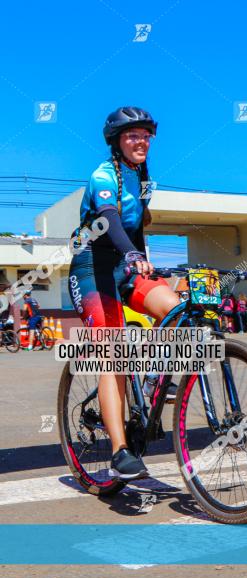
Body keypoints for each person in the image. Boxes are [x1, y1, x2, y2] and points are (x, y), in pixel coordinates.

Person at [67, 106, 180, 480]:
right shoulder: (103, 173)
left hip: (125, 263)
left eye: (146, 135)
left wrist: (144, 261)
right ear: (116, 142)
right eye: (133, 135)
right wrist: (131, 253)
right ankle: (119, 451)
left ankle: (151, 384)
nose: (141, 140)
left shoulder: (143, 179)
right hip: (92, 267)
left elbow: (136, 230)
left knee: (175, 310)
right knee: (112, 354)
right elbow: (111, 219)